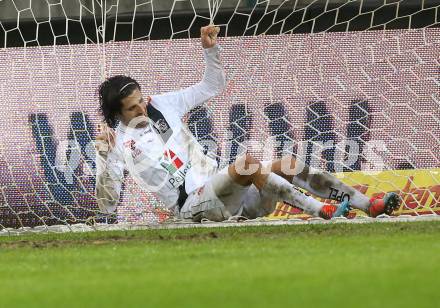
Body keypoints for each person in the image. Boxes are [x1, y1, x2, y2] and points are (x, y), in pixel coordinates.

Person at [95, 25, 400, 222]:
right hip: (191, 208)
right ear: (118, 114)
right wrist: (104, 155)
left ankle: (367, 205)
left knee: (288, 164)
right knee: (249, 163)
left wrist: (210, 51)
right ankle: (321, 211)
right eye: (133, 108)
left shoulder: (161, 103)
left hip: (228, 194)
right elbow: (108, 200)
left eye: (141, 99)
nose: (142, 108)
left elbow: (211, 86)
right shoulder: (119, 142)